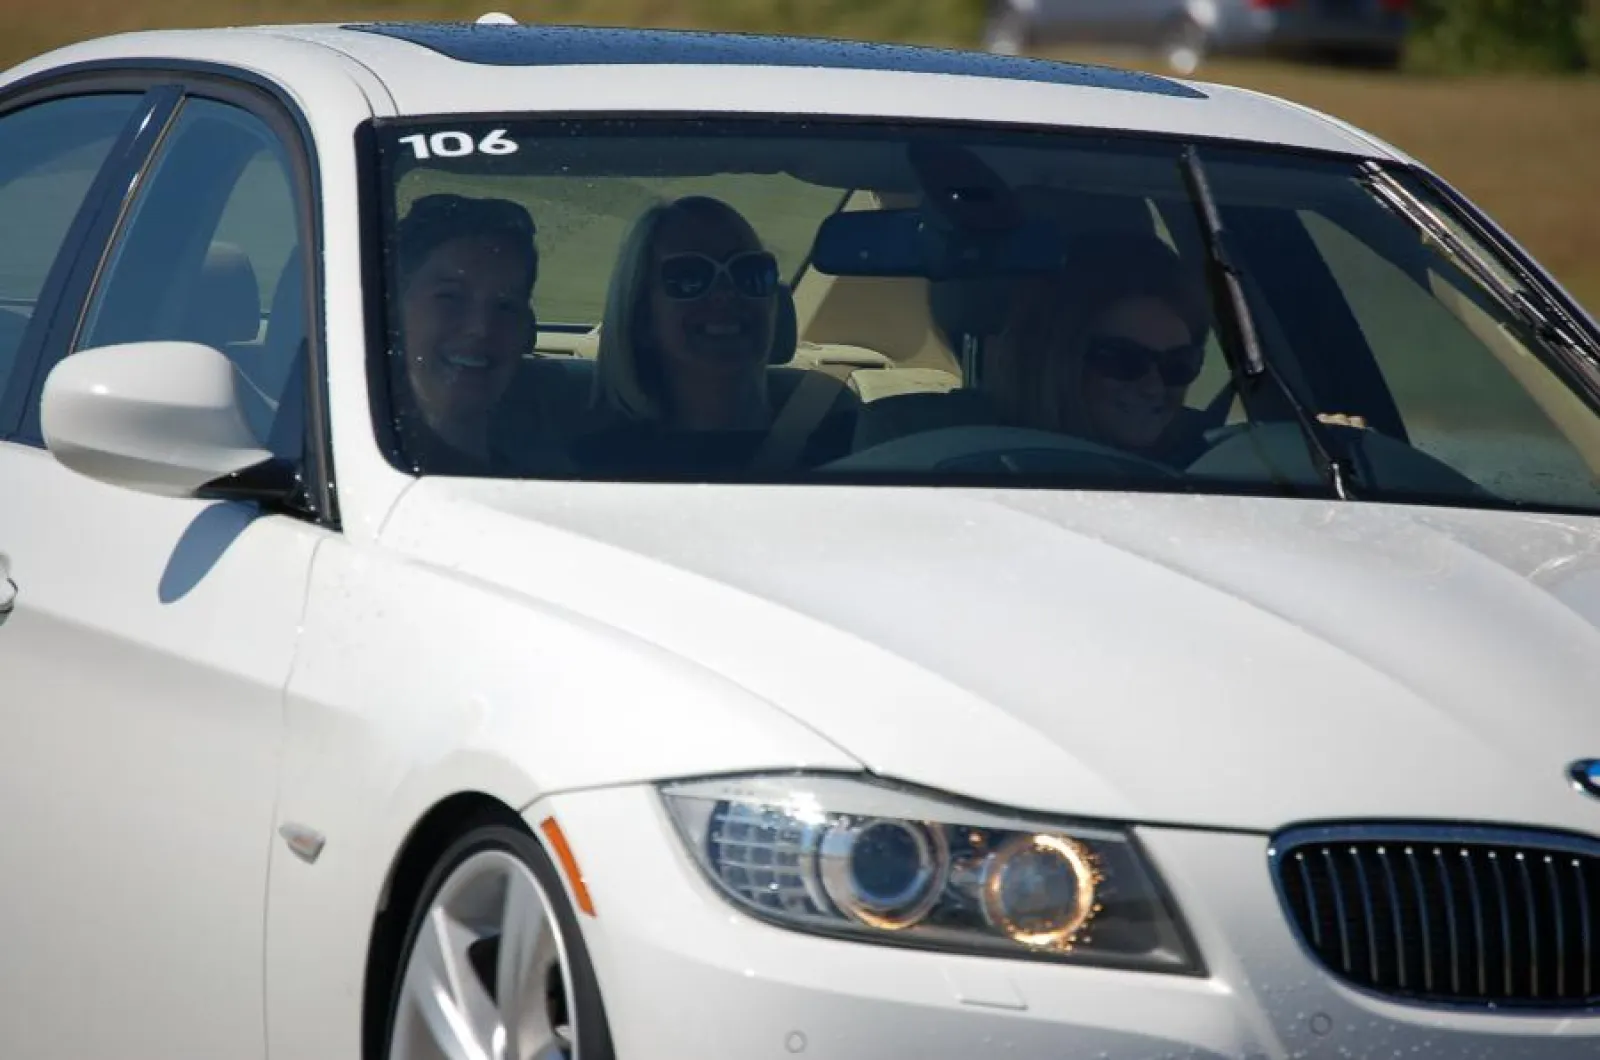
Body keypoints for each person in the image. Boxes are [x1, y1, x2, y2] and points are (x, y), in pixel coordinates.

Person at [574, 194, 856, 476]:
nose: (725, 294)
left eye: (750, 272)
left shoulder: (846, 434)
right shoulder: (594, 470)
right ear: (641, 317)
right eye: (689, 276)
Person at [985, 228, 1212, 466]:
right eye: (1124, 360)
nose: (1153, 388)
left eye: (1178, 364)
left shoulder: (1216, 464)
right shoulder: (971, 467)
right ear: (1057, 361)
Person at [390, 192, 541, 473]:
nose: (481, 328)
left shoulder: (563, 472)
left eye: (506, 306)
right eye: (450, 297)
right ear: (393, 311)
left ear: (527, 331)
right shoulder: (349, 457)